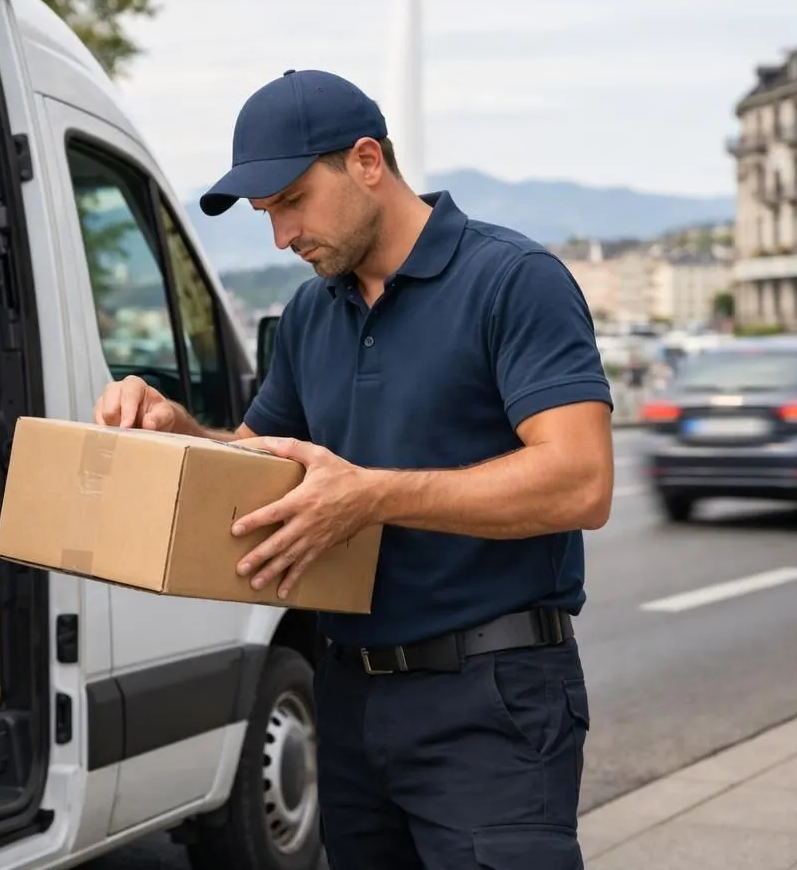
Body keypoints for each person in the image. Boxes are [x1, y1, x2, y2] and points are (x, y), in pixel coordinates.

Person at [93, 69, 614, 868]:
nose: (280, 237)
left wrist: (371, 496)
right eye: (267, 215)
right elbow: (263, 463)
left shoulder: (513, 280)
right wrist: (178, 432)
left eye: (292, 201)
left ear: (367, 161)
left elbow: (580, 480)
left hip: (490, 696)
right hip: (348, 695)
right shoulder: (311, 311)